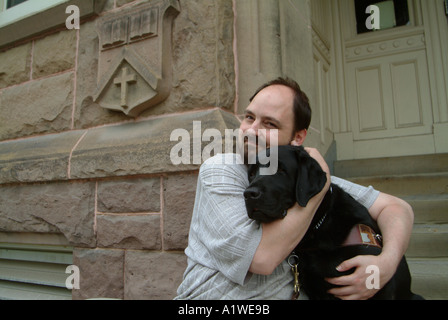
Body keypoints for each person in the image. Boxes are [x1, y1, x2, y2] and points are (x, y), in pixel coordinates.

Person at [175, 77, 414, 300]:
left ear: (298, 137)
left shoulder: (301, 173)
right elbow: (262, 259)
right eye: (249, 117)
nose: (251, 130)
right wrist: (319, 189)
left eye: (269, 123)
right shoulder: (221, 169)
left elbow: (397, 207)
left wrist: (385, 265)